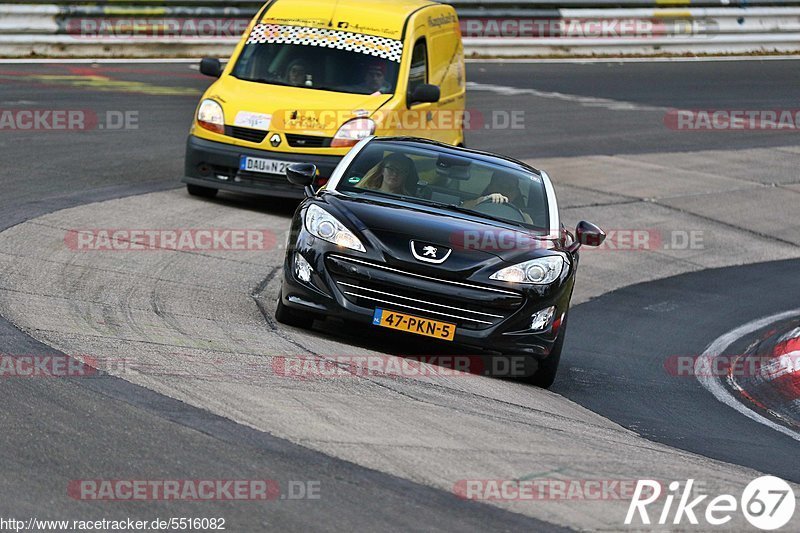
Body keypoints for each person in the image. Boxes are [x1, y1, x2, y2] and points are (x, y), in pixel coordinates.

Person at [463, 170, 533, 223]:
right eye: (500, 186)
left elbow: (530, 237)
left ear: (516, 193)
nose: (504, 192)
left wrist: (519, 214)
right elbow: (461, 212)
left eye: (510, 188)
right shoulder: (473, 204)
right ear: (490, 187)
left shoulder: (524, 217)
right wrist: (484, 199)